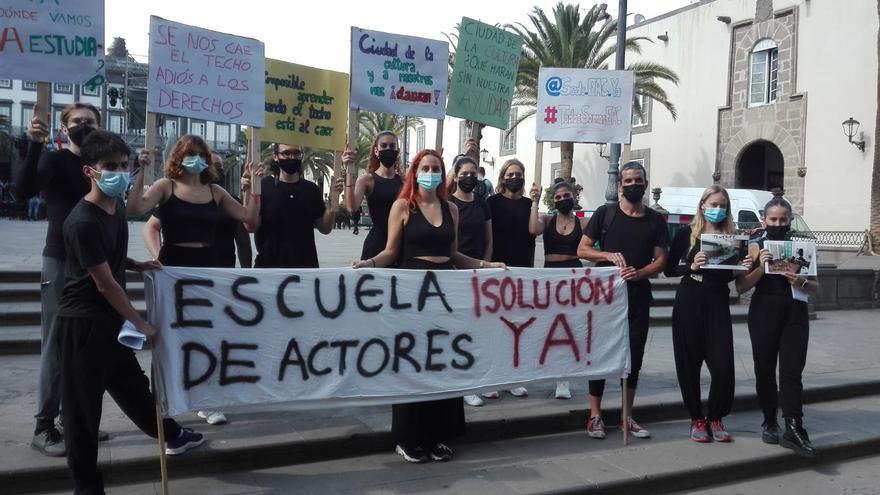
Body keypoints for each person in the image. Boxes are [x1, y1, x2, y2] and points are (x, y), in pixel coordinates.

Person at [58, 130, 204, 494]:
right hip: (83, 326)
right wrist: (141, 323)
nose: (119, 173)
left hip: (108, 323)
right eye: (110, 167)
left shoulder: (115, 208)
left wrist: (137, 263)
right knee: (82, 414)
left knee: (135, 391)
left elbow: (110, 259)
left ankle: (173, 435)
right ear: (89, 171)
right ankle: (87, 488)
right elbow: (105, 283)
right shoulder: (82, 221)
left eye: (123, 165)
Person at [352, 149, 504, 463]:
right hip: (412, 294)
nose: (431, 172)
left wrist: (485, 265)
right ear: (415, 171)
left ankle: (439, 436)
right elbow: (391, 252)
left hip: (444, 294)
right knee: (412, 362)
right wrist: (367, 263)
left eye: (436, 167)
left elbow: (455, 255)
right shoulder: (402, 206)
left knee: (443, 362)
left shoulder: (451, 210)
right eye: (425, 167)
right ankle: (408, 437)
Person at [127, 135, 260, 426]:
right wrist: (140, 172)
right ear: (178, 157)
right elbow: (135, 209)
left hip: (206, 269)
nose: (196, 159)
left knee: (206, 336)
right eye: (190, 153)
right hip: (173, 268)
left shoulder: (215, 191)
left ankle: (206, 400)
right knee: (167, 336)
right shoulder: (166, 187)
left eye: (201, 153)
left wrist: (252, 188)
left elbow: (250, 219)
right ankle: (161, 402)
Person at [15, 102, 108, 456]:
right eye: (77, 122)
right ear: (64, 127)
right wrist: (35, 144)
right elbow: (23, 191)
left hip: (94, 262)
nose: (83, 126)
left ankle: (75, 422)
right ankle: (44, 425)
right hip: (61, 262)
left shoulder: (100, 168)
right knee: (56, 343)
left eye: (90, 122)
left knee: (86, 345)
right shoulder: (55, 161)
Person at [577, 161, 669, 440]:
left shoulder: (654, 220)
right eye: (627, 181)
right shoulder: (606, 214)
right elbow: (583, 248)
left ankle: (626, 416)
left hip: (638, 296)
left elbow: (661, 260)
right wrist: (608, 256)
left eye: (637, 180)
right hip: (606, 297)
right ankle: (595, 415)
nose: (632, 185)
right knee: (600, 353)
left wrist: (639, 273)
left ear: (645, 183)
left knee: (634, 356)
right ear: (619, 186)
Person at [665, 186, 753, 443]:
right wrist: (690, 266)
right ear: (702, 205)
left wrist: (743, 267)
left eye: (723, 205)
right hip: (690, 297)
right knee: (689, 362)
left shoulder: (734, 237)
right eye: (714, 204)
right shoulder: (687, 234)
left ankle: (716, 416)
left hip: (717, 301)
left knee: (723, 365)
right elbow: (670, 269)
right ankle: (696, 419)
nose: (718, 209)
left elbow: (736, 277)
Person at [736, 197, 818, 458]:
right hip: (764, 311)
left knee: (792, 370)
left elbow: (815, 286)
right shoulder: (754, 246)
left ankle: (794, 425)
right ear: (764, 220)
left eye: (783, 220)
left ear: (789, 220)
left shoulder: (802, 246)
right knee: (764, 368)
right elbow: (741, 287)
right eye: (773, 219)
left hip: (795, 311)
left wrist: (800, 281)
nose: (778, 224)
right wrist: (761, 264)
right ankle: (770, 419)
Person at [529, 181, 589, 400]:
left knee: (569, 327)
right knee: (550, 326)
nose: (563, 199)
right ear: (553, 200)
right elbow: (533, 229)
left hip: (574, 275)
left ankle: (563, 378)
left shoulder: (583, 223)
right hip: (551, 276)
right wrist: (535, 202)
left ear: (573, 197)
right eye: (558, 197)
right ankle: (551, 370)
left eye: (566, 195)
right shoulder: (547, 219)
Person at [143, 153, 253, 270]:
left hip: (222, 274)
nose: (218, 171)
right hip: (183, 271)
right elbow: (151, 227)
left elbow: (243, 242)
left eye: (220, 168)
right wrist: (160, 258)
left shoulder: (231, 202)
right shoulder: (180, 197)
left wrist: (247, 274)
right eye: (213, 166)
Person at [484, 158, 536, 399]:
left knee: (517, 328)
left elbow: (534, 231)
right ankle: (492, 377)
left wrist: (535, 201)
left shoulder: (529, 204)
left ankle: (512, 376)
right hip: (497, 269)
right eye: (510, 174)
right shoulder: (491, 203)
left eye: (519, 174)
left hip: (522, 270)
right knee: (495, 325)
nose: (515, 178)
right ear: (503, 177)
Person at [245, 143, 342, 268]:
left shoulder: (311, 189)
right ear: (275, 156)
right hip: (269, 268)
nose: (292, 157)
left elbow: (325, 228)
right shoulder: (263, 186)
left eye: (296, 153)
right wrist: (248, 191)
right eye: (286, 153)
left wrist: (332, 202)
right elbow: (251, 226)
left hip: (305, 268)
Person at [447, 155, 494, 407]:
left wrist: (484, 267)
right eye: (464, 173)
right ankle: (463, 383)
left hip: (479, 272)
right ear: (455, 175)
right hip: (455, 273)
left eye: (473, 173)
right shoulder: (448, 203)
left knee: (479, 327)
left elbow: (488, 239)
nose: (469, 178)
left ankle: (479, 379)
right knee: (459, 329)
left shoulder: (482, 204)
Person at [344, 131, 403, 261]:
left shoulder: (404, 181)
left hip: (401, 245)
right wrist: (348, 171)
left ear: (398, 151)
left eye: (392, 146)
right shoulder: (367, 180)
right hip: (376, 244)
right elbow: (352, 207)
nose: (388, 149)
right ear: (376, 151)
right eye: (384, 145)